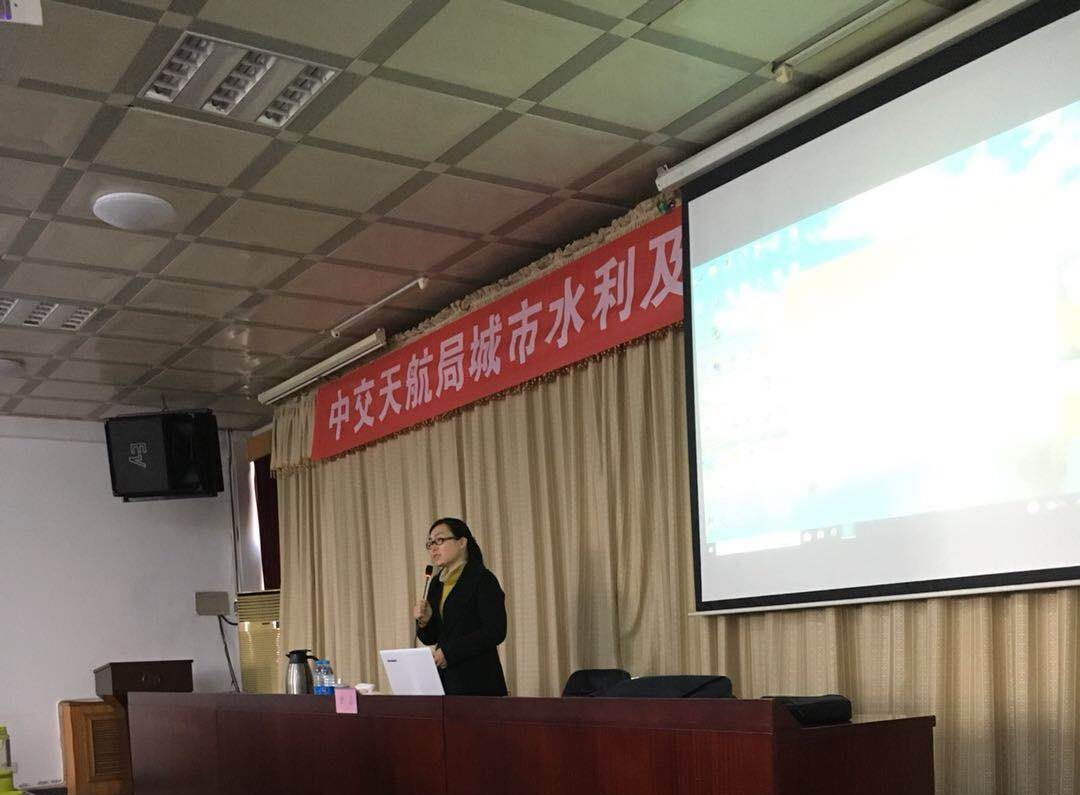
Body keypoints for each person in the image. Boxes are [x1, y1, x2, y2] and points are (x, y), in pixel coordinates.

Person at [413, 517, 508, 696]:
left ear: (462, 542)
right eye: (430, 543)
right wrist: (425, 621)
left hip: (478, 681)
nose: (433, 548)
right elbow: (431, 637)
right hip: (445, 683)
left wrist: (449, 653)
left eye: (440, 540)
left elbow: (495, 631)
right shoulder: (436, 583)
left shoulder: (483, 579)